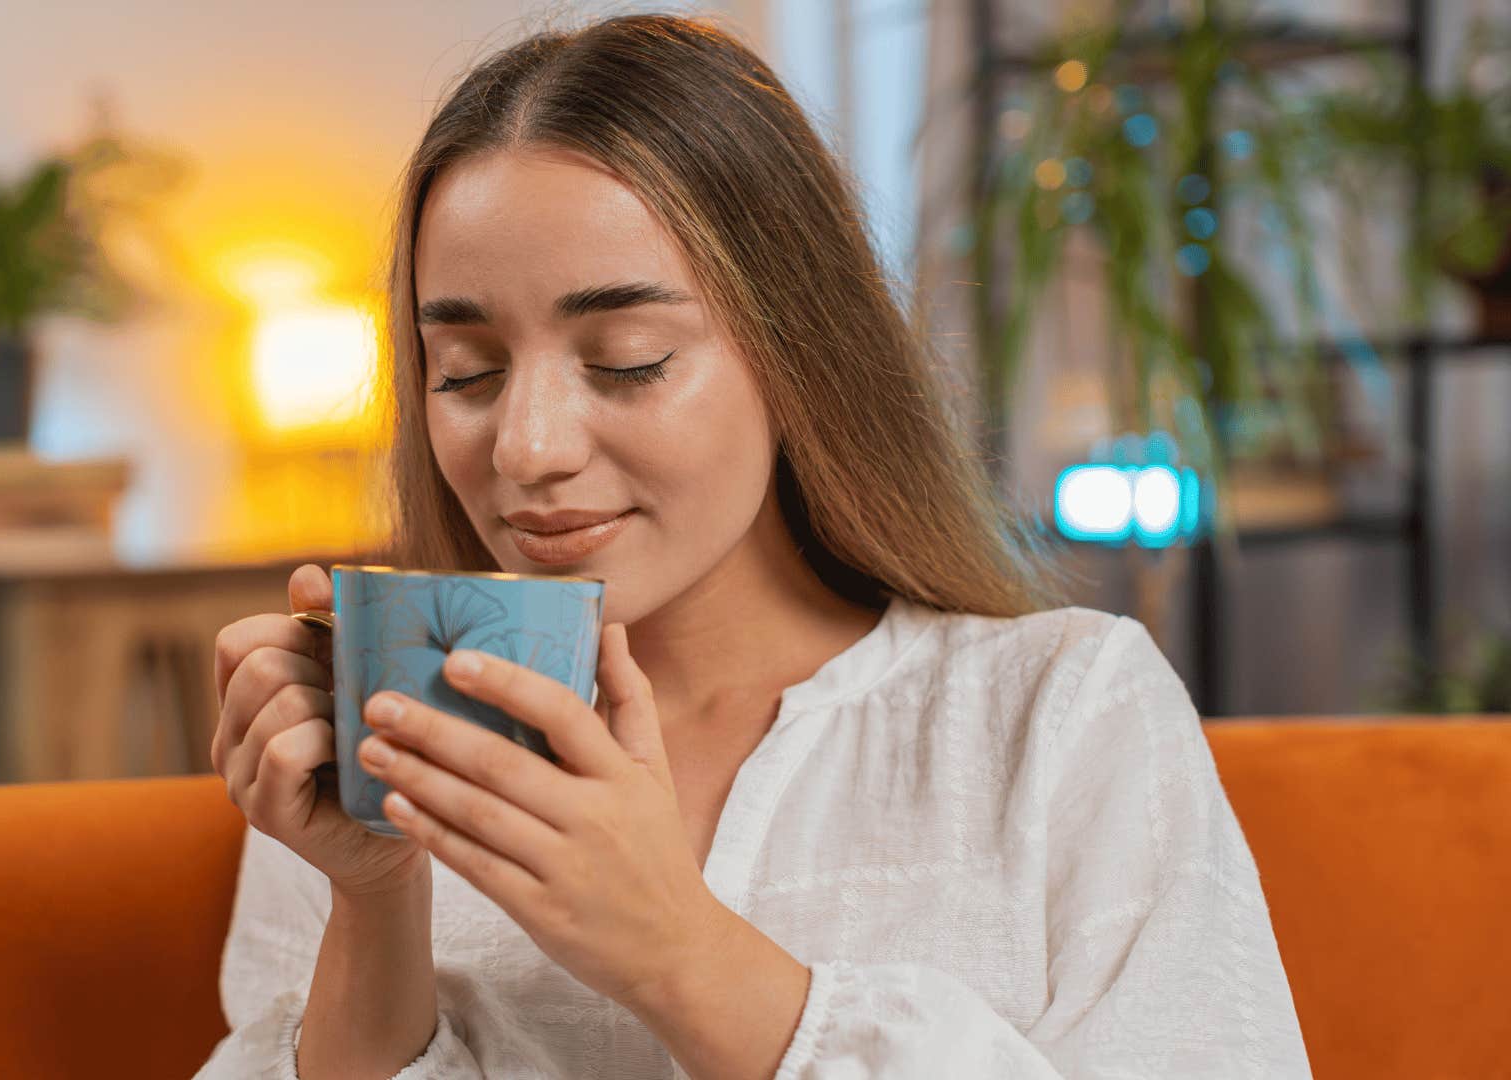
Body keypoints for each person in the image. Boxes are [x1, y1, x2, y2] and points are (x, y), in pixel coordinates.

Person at [195, 12, 1310, 1079]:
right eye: (468, 374)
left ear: (800, 354)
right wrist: (377, 902)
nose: (527, 447)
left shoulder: (1060, 713)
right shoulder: (384, 747)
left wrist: (675, 948)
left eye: (627, 358)